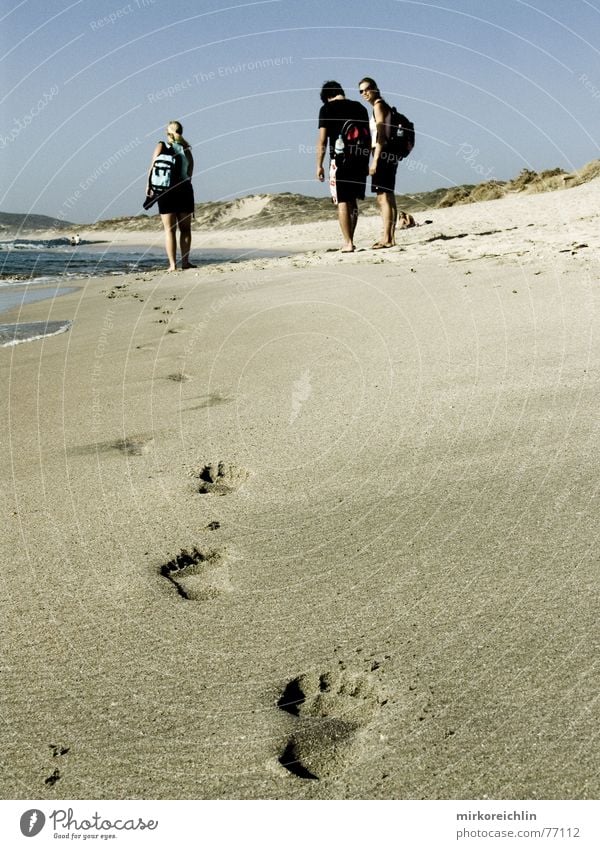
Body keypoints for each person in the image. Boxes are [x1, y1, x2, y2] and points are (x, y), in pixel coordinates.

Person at [316, 81, 370, 252]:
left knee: (342, 201)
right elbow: (368, 136)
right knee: (353, 201)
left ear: (326, 97)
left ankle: (348, 243)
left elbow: (323, 140)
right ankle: (350, 239)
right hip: (360, 159)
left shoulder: (326, 109)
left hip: (340, 160)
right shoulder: (360, 107)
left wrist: (319, 165)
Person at [146, 121, 195, 271]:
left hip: (165, 191)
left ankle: (172, 265)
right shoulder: (186, 148)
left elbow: (153, 166)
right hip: (184, 189)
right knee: (185, 229)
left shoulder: (161, 145)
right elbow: (190, 172)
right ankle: (185, 262)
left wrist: (149, 186)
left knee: (170, 229)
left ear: (167, 133)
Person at [359, 77, 399, 248]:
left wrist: (375, 161)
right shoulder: (382, 106)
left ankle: (387, 238)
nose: (364, 93)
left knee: (383, 198)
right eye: (361, 91)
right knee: (388, 197)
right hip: (387, 153)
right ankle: (389, 237)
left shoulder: (378, 106)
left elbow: (381, 135)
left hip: (382, 153)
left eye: (367, 89)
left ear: (375, 88)